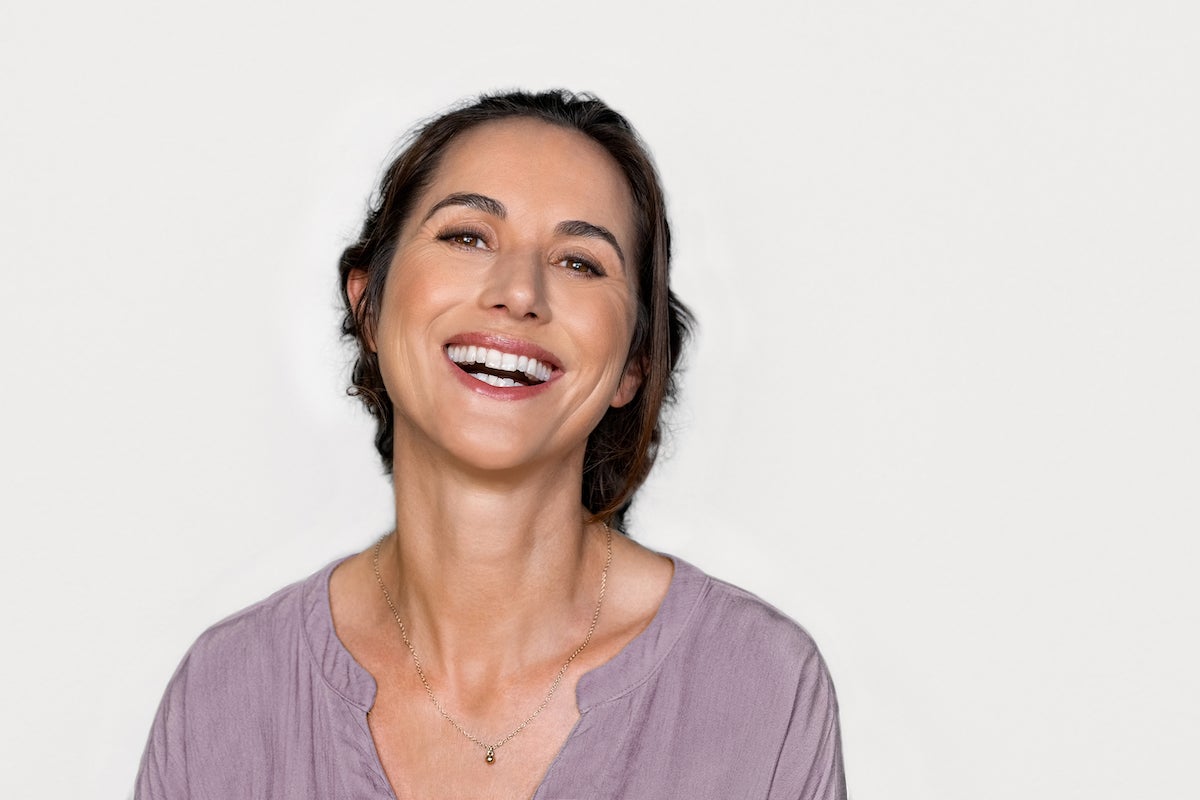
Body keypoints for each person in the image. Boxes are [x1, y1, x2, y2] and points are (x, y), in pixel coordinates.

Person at [135, 89, 846, 799]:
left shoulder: (762, 689)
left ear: (634, 363)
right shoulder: (224, 696)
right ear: (370, 305)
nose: (518, 291)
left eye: (580, 262)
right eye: (468, 236)